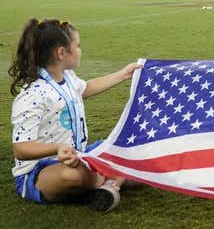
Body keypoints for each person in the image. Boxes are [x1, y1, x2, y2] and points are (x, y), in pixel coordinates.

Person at [9, 18, 141, 212]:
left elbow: (85, 88)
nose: (80, 50)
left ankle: (110, 181)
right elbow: (21, 149)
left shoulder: (68, 77)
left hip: (80, 155)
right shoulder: (32, 95)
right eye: (77, 46)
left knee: (126, 145)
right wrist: (58, 148)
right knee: (71, 176)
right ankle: (114, 180)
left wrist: (122, 75)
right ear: (61, 53)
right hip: (41, 171)